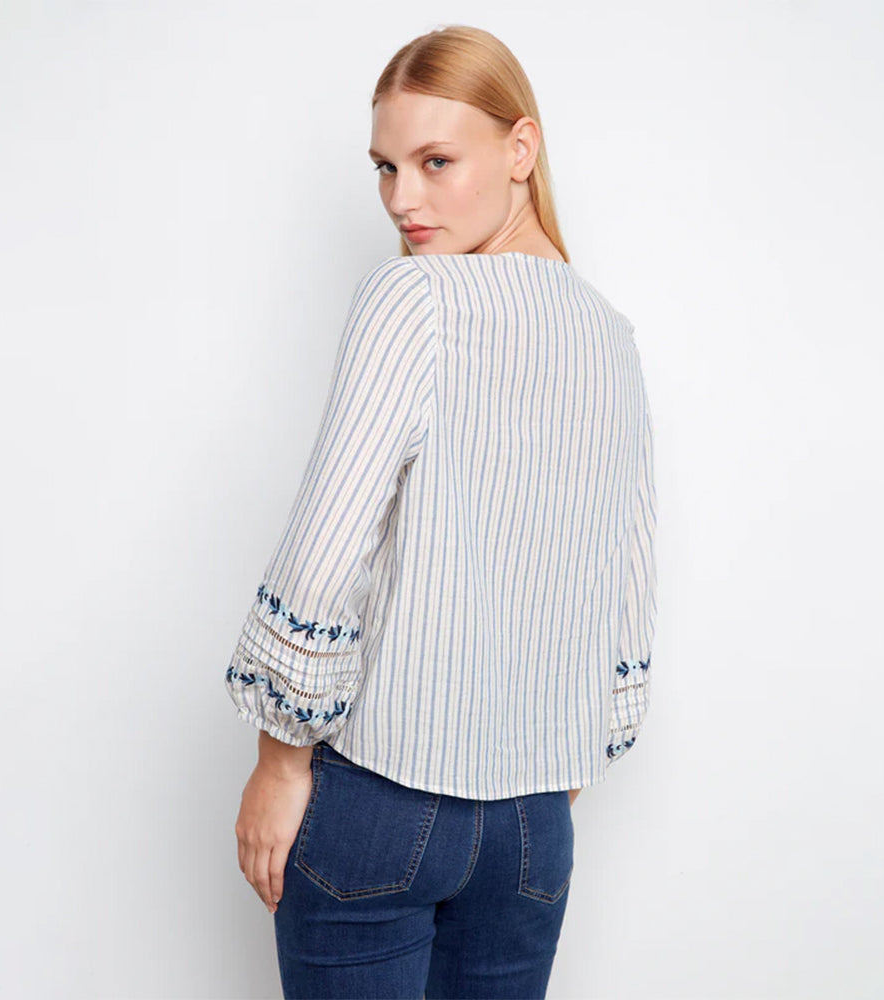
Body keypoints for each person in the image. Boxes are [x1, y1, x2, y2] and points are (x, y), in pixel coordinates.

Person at [224, 24, 658, 1000]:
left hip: (384, 801)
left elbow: (327, 547)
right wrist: (563, 761)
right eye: (385, 167)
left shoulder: (412, 298)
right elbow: (626, 583)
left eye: (434, 161)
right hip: (535, 826)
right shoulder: (611, 336)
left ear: (520, 148)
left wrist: (279, 760)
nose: (402, 201)